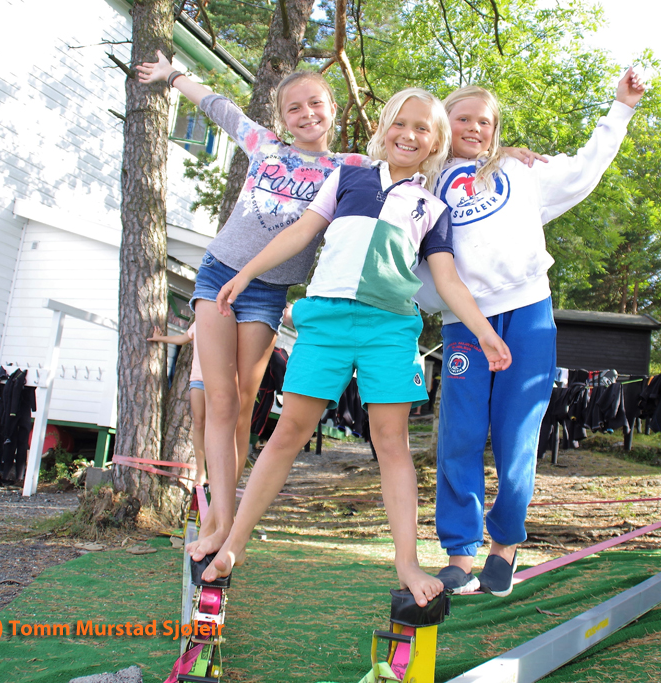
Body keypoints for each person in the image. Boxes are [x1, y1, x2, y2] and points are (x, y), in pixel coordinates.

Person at [198, 88, 513, 607]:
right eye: (400, 124)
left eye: (422, 129)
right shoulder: (347, 177)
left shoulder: (432, 208)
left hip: (389, 330)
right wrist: (245, 273)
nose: (408, 135)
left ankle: (407, 561)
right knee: (288, 432)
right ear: (384, 129)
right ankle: (233, 542)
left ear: (436, 142)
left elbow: (448, 280)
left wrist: (484, 330)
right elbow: (301, 232)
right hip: (325, 323)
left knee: (391, 443)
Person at [413, 68, 647, 597]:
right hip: (464, 322)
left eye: (485, 121)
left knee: (517, 433)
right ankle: (459, 554)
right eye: (463, 118)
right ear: (444, 124)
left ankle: (504, 548)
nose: (474, 128)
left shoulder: (520, 171)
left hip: (528, 312)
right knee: (461, 435)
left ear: (496, 129)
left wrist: (622, 107)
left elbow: (585, 168)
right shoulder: (425, 180)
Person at [136, 51, 369, 560]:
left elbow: (411, 155)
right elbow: (218, 107)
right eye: (294, 108)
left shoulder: (350, 168)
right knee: (218, 400)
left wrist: (491, 152)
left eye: (315, 103)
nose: (306, 114)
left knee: (243, 403)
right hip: (218, 272)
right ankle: (218, 518)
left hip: (266, 292)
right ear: (281, 118)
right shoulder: (265, 146)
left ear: (333, 108)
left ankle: (226, 516)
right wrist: (172, 75)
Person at [147, 321, 208, 487]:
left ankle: (214, 469)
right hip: (198, 379)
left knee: (215, 425)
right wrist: (160, 338)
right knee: (198, 422)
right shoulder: (198, 322)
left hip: (217, 380)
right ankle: (201, 471)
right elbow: (182, 338)